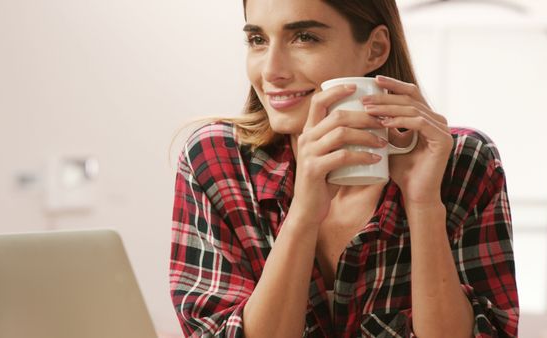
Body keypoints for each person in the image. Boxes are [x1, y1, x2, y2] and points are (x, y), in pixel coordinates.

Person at [169, 0, 519, 337]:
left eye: (304, 37)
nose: (272, 71)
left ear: (375, 49)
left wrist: (424, 205)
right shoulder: (216, 160)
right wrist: (303, 214)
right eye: (258, 40)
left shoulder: (461, 161)